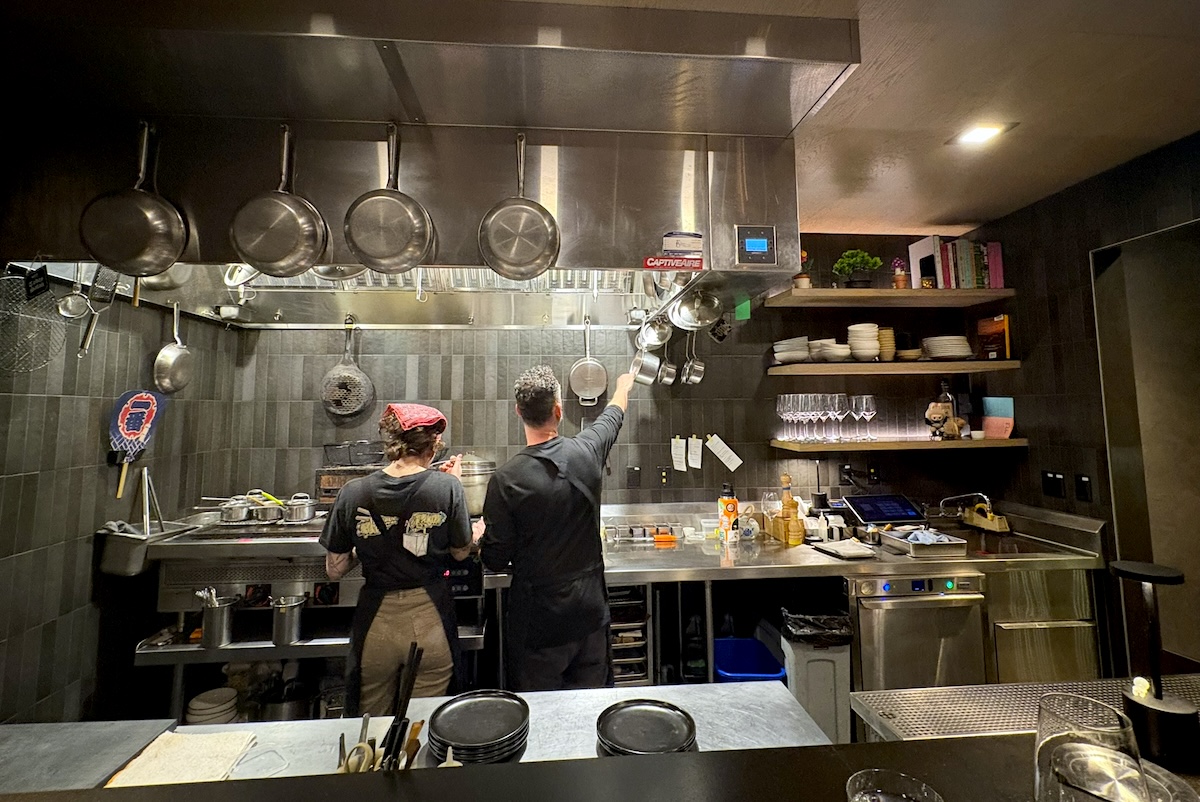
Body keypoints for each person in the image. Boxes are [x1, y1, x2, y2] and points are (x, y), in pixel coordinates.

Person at [480, 365, 635, 691]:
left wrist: (481, 536)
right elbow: (613, 413)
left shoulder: (505, 480)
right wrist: (624, 385)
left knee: (544, 720)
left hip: (540, 626)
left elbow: (495, 558)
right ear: (558, 411)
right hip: (590, 616)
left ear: (518, 412)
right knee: (592, 714)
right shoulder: (588, 451)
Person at [321, 403, 481, 716]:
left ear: (392, 442)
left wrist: (370, 543)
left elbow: (334, 569)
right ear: (433, 444)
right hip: (430, 621)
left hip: (376, 627)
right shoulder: (447, 487)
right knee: (423, 724)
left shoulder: (353, 492)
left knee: (370, 728)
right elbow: (461, 551)